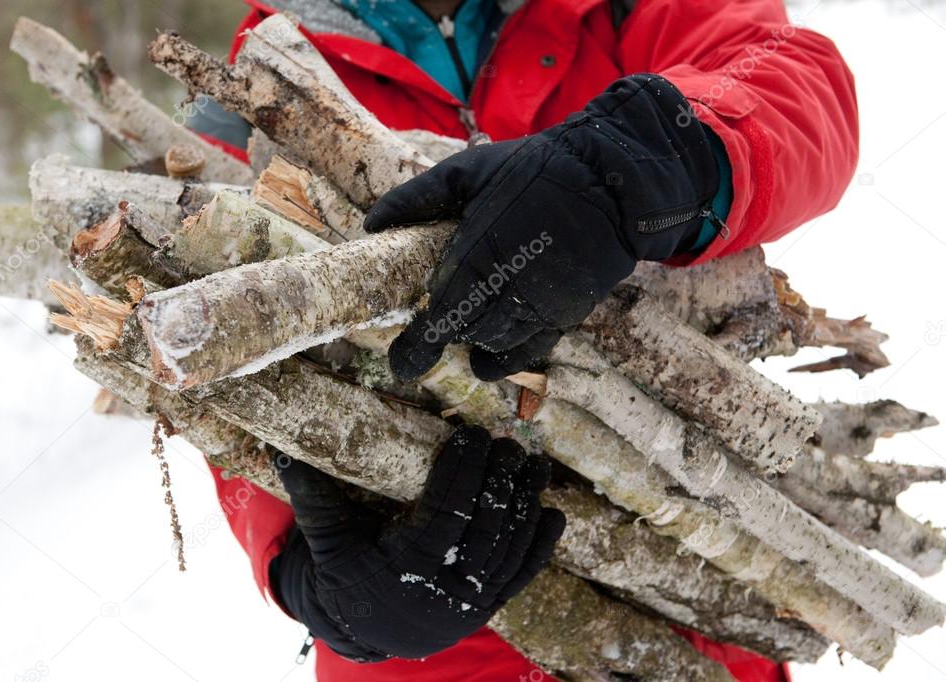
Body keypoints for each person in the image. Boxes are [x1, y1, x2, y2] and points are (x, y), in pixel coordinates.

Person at [192, 0, 859, 679]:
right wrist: (309, 578)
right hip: (436, 623)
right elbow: (214, 355)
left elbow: (799, 83)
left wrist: (636, 158)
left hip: (695, 586)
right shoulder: (256, 75)